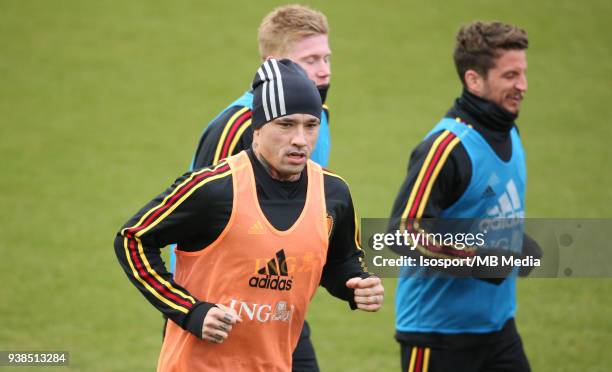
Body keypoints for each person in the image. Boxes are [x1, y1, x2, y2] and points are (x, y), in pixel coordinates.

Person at [114, 59, 383, 372]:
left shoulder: (333, 193)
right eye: (286, 124)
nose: (300, 139)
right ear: (257, 128)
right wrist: (189, 311)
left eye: (311, 125)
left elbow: (341, 259)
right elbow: (132, 239)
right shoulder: (214, 189)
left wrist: (356, 284)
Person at [170, 6, 332, 370]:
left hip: (276, 298)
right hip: (220, 305)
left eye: (326, 57)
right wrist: (191, 310)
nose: (323, 69)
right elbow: (201, 211)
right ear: (274, 63)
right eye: (310, 59)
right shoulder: (239, 124)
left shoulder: (315, 116)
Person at [389, 21, 537, 372]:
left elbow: (484, 213)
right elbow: (405, 231)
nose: (523, 86)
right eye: (510, 76)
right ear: (474, 80)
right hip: (437, 338)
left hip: (499, 329)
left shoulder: (509, 132)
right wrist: (480, 258)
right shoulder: (446, 148)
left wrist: (517, 243)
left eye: (523, 74)